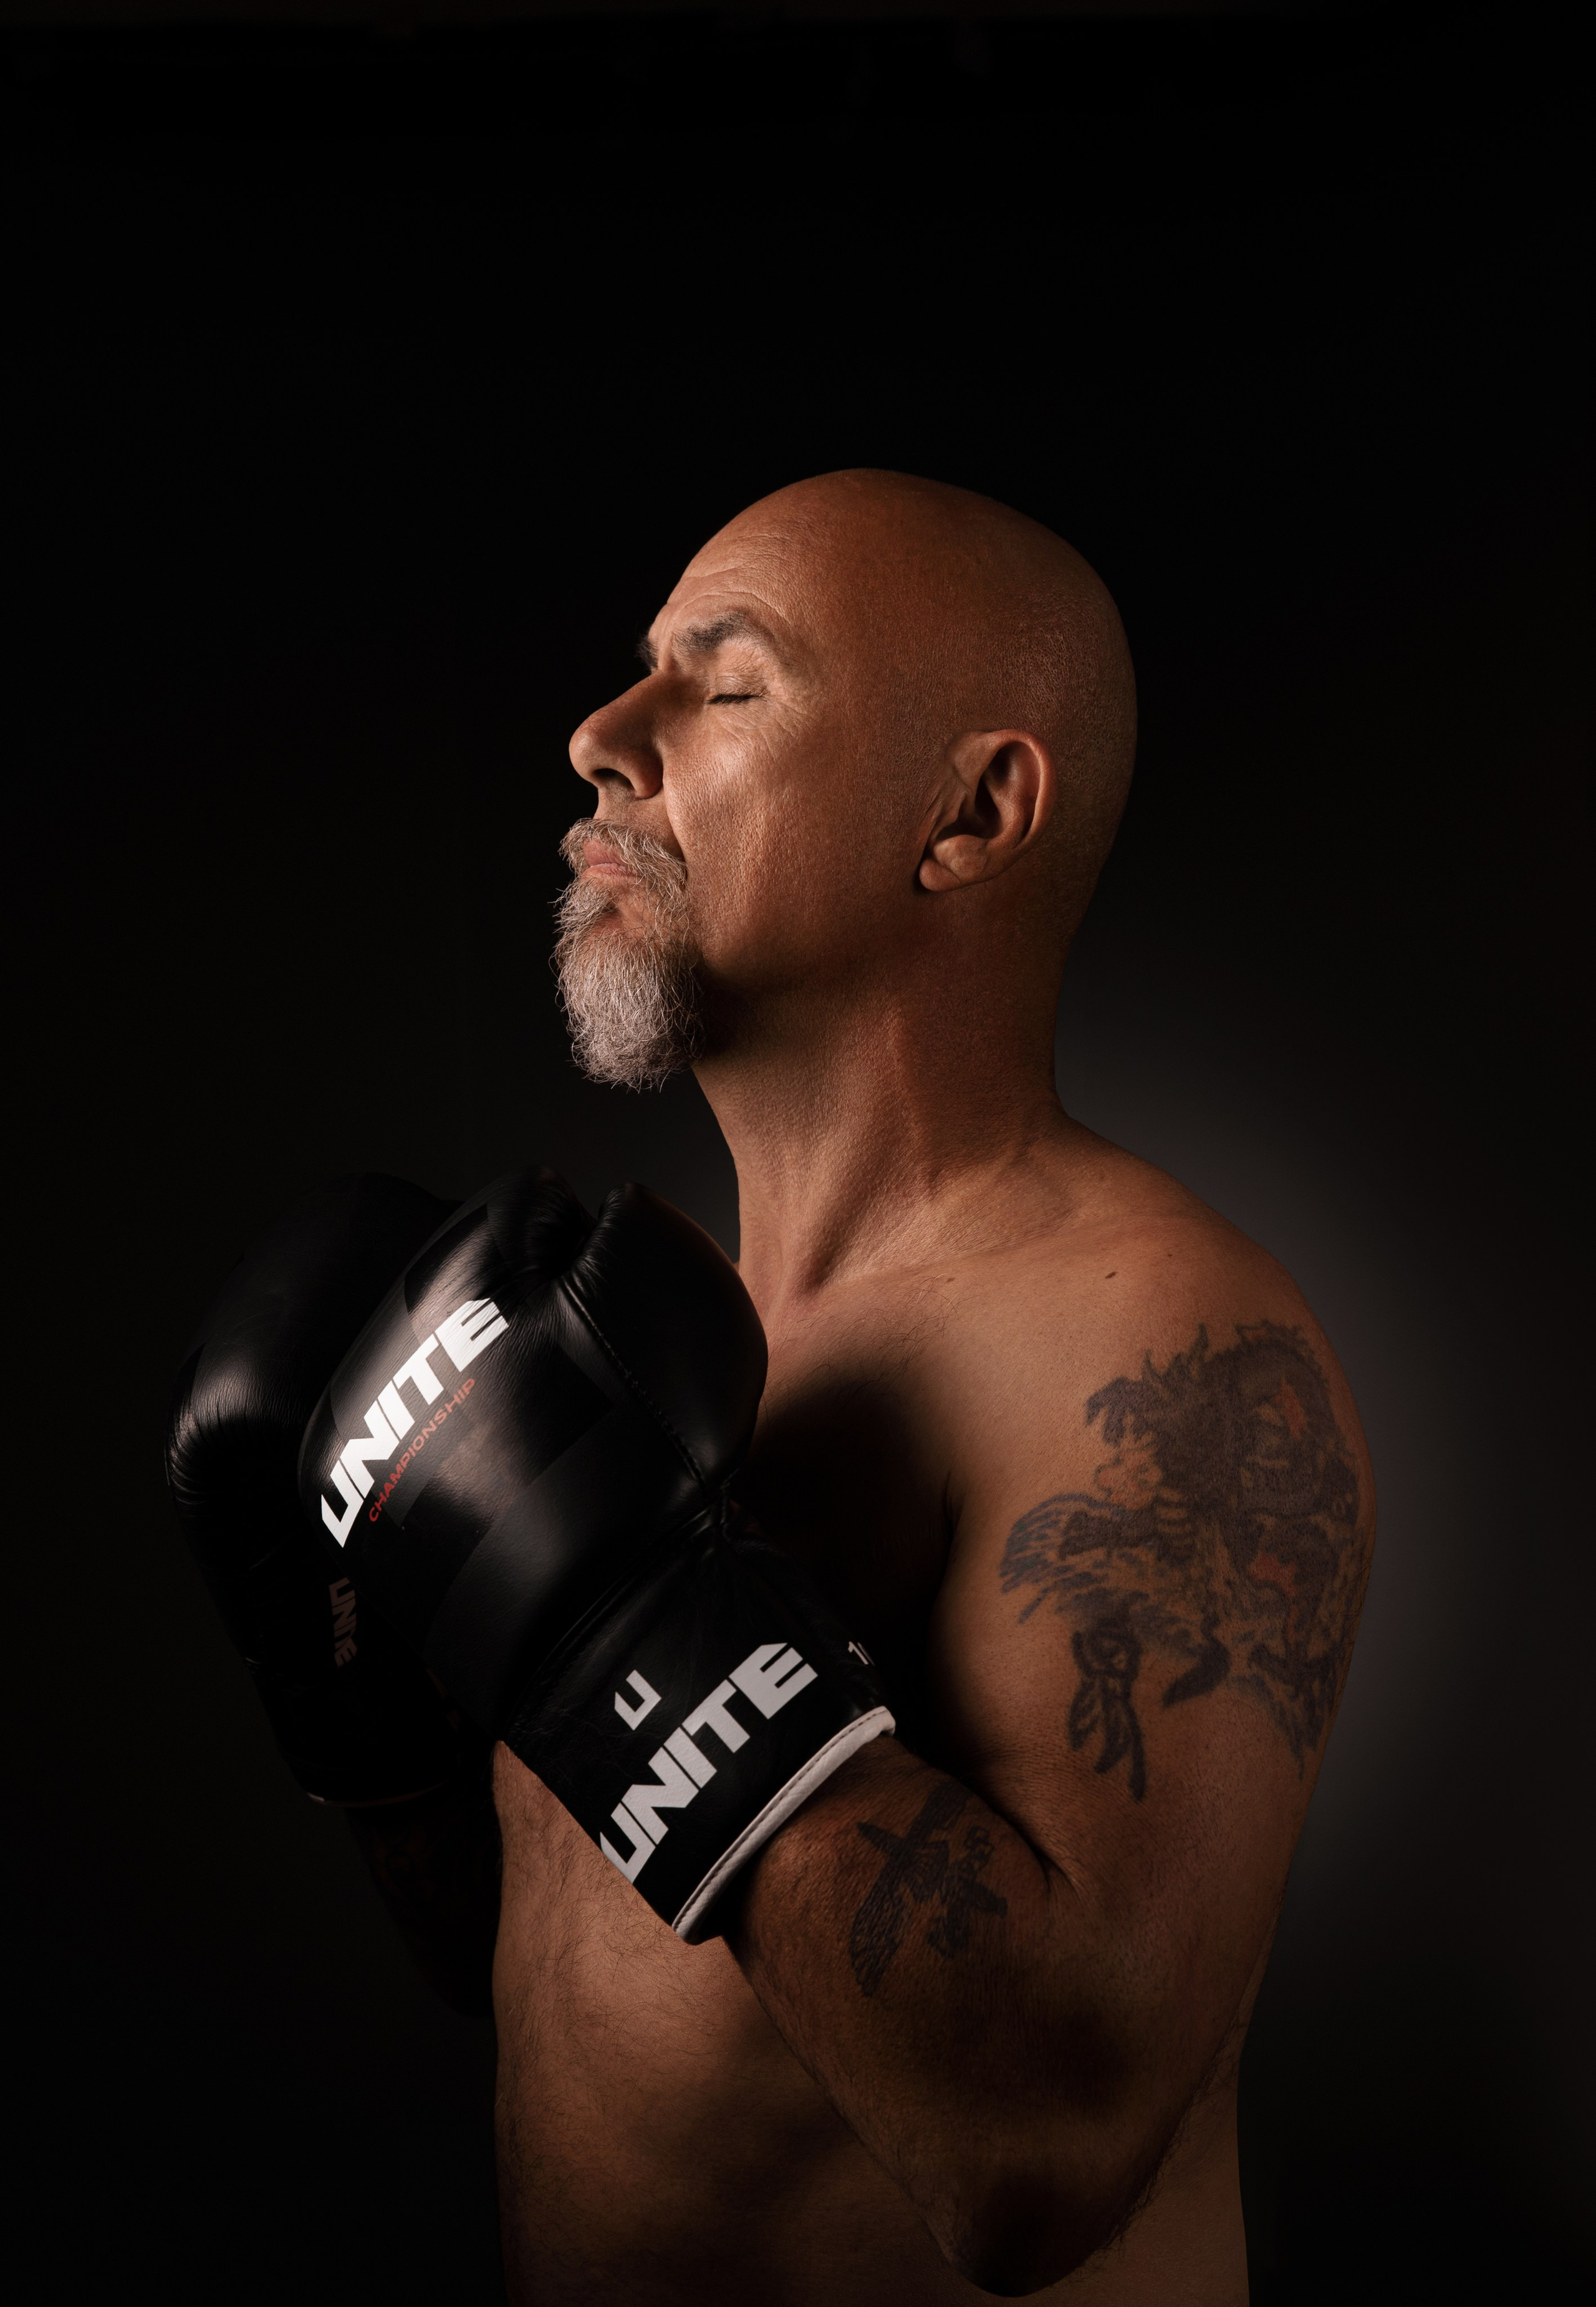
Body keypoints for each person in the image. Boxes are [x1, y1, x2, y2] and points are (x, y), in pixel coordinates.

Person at [175, 470, 1374, 2304]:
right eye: (634, 674)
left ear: (969, 812)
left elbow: (1043, 2151)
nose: (598, 738)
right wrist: (370, 1720)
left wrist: (615, 1630)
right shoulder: (635, 1343)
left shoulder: (1163, 1346)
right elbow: (605, 1981)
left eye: (721, 689)